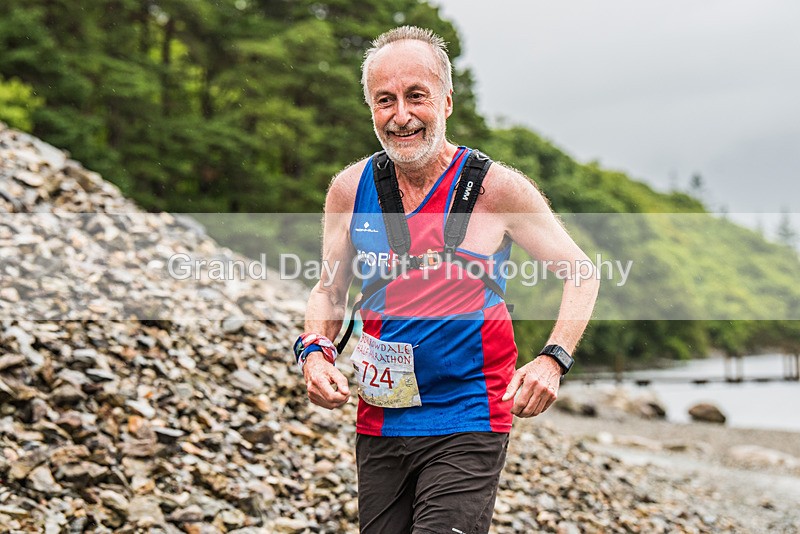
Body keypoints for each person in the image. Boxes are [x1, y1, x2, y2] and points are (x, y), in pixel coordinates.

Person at [294, 26, 599, 534]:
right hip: (381, 417)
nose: (401, 116)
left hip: (469, 414)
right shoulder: (349, 190)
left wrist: (553, 359)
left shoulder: (495, 188)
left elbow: (581, 273)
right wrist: (313, 351)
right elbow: (329, 289)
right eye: (384, 100)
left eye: (417, 96)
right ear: (370, 108)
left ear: (447, 102)